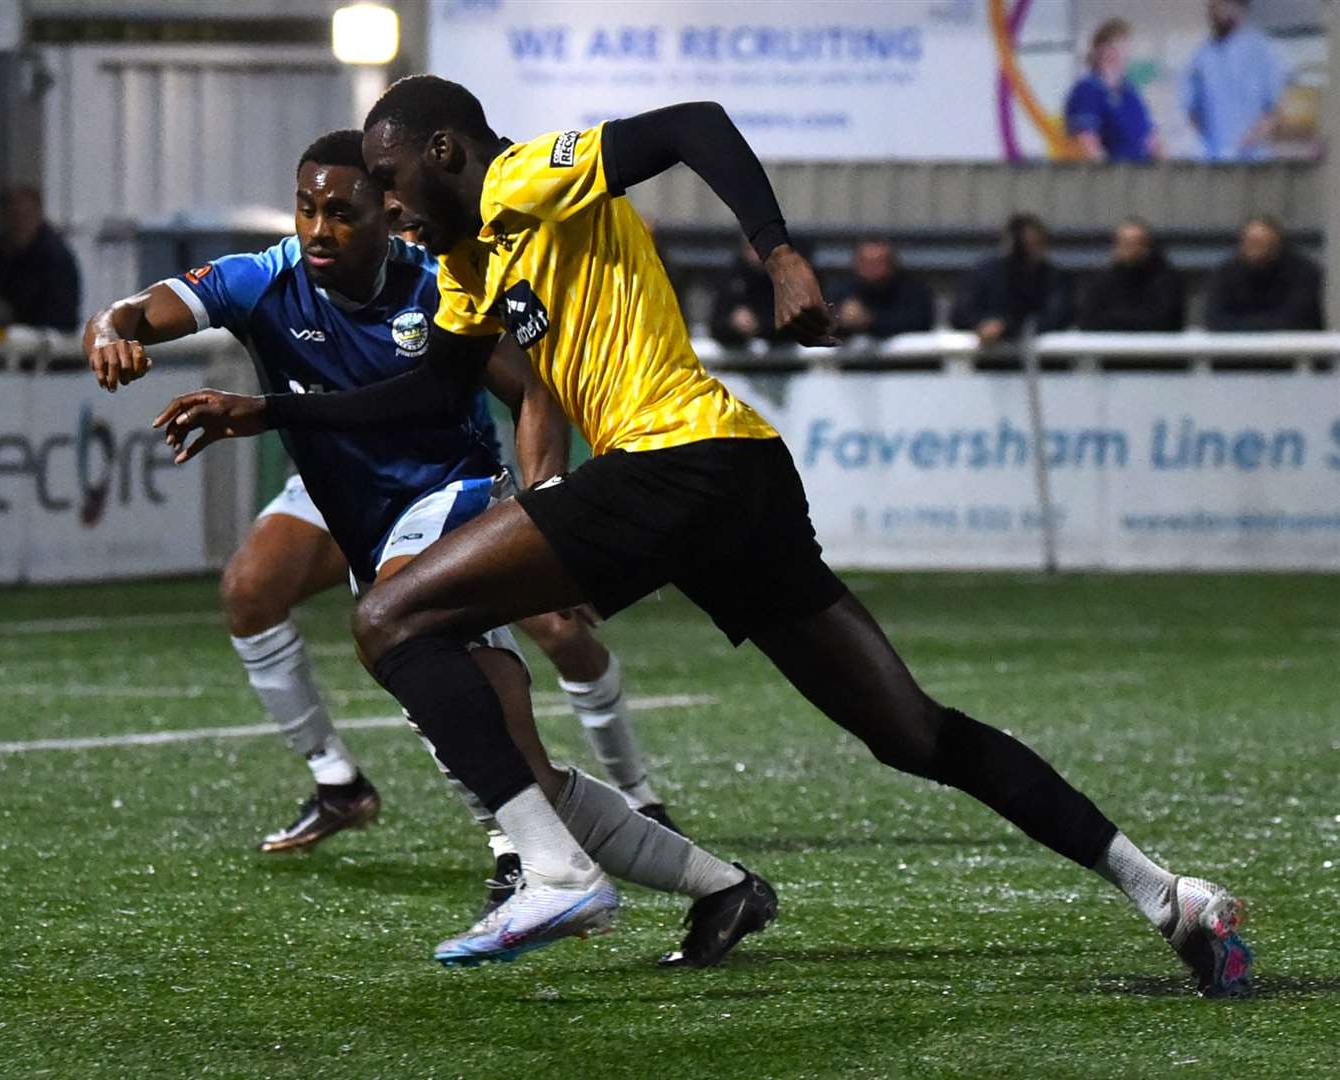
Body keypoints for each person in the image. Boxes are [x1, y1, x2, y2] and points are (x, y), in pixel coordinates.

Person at [153, 77, 1253, 996]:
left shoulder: (527, 176)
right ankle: (1171, 896)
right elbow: (425, 389)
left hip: (679, 459)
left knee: (391, 618)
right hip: (732, 479)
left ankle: (552, 867)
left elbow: (693, 126)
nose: (385, 206)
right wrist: (273, 409)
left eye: (387, 183)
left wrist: (777, 253)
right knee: (911, 733)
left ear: (445, 151)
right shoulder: (467, 264)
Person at [85, 129, 758, 959]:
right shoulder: (265, 279)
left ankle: (545, 870)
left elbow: (533, 388)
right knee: (519, 761)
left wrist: (546, 501)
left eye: (342, 212)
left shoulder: (442, 280)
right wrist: (110, 329)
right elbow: (141, 309)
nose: (320, 229)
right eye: (307, 209)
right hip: (356, 515)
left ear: (386, 214)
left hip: (454, 500)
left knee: (398, 624)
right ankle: (722, 889)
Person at [1184, 0, 1288, 162]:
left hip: (1255, 163)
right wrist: (1209, 142)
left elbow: (1274, 111)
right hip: (1213, 161)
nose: (1215, 11)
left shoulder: (1263, 52)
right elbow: (1191, 108)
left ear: (1240, 9)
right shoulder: (1202, 55)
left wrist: (1247, 143)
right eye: (1213, 6)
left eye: (1221, 5)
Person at [0, 184, 82, 330]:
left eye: (26, 216)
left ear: (38, 216)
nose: (19, 224)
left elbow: (61, 317)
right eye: (13, 216)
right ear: (1, 217)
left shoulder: (56, 260)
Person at [952, 214, 1075, 344]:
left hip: (1044, 357)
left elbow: (1058, 316)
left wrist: (1007, 327)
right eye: (1022, 246)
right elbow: (961, 314)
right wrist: (982, 325)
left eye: (1034, 244)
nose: (1027, 253)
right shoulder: (983, 275)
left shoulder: (1054, 277)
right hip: (988, 356)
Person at [1064, 19, 1164, 163]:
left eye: (1125, 47)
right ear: (1100, 50)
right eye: (1115, 47)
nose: (1122, 54)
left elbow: (1151, 139)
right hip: (1111, 177)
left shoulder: (1130, 92)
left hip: (1142, 174)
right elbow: (1087, 143)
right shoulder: (1086, 91)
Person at [1204, 216, 1322, 331]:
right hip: (1238, 346)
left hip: (1294, 346)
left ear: (1277, 245)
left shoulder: (1303, 272)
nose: (1255, 251)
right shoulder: (1226, 273)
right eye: (1251, 243)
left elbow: (1295, 320)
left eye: (1262, 244)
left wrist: (1242, 325)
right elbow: (1215, 320)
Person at [1078, 218, 1186, 331]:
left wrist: (1116, 320)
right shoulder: (1102, 281)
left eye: (1137, 243)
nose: (1131, 250)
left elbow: (1163, 321)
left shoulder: (1166, 281)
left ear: (1148, 247)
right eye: (1125, 243)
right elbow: (1088, 320)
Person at [829, 238, 935, 339]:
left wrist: (870, 321)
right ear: (856, 264)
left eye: (879, 262)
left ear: (892, 264)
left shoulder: (914, 291)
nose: (873, 268)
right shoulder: (842, 291)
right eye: (867, 262)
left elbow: (919, 323)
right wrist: (841, 320)